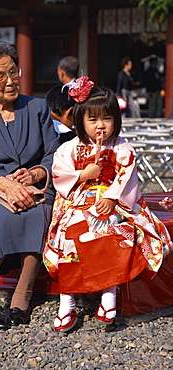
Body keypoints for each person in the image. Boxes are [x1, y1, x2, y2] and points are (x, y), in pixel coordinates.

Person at [43, 76, 173, 332]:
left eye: (107, 119)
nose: (100, 126)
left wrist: (112, 197)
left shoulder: (124, 148)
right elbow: (59, 175)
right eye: (92, 120)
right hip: (76, 199)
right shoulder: (69, 148)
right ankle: (66, 301)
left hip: (114, 202)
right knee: (71, 236)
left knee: (112, 231)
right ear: (80, 120)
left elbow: (127, 175)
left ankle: (108, 296)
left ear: (116, 119)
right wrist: (83, 175)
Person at [0, 40, 60, 329]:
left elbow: (54, 153)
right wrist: (6, 185)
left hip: (36, 184)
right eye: (0, 76)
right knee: (5, 212)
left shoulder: (38, 108)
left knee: (37, 212)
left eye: (13, 72)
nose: (10, 81)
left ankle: (22, 296)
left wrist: (39, 172)